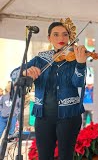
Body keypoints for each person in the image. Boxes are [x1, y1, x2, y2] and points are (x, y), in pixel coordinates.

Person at [11, 18, 87, 160]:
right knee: (44, 156)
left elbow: (78, 82)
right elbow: (14, 74)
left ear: (70, 37)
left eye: (65, 34)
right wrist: (25, 73)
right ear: (49, 38)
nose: (61, 38)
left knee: (66, 156)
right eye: (56, 34)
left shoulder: (75, 57)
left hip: (69, 116)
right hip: (43, 117)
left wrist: (81, 64)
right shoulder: (41, 59)